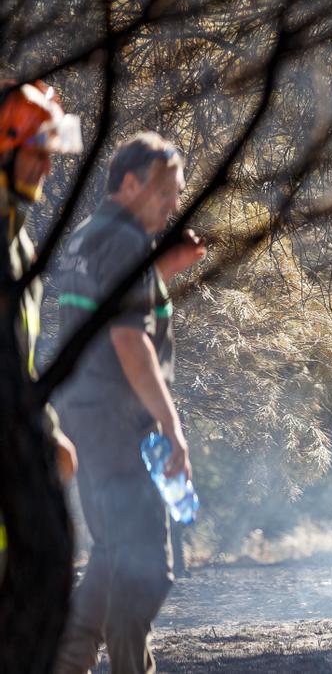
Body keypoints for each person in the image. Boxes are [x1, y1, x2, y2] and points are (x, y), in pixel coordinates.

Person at [54, 132, 206, 674]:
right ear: (131, 182)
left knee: (115, 554)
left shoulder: (86, 237)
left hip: (88, 423)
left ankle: (68, 661)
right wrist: (171, 423)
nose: (172, 205)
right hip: (122, 427)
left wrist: (161, 270)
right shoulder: (123, 242)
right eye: (166, 192)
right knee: (145, 568)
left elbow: (105, 306)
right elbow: (127, 338)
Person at [0, 80, 82, 481]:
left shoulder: (19, 242)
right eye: (37, 154)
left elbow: (16, 358)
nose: (48, 168)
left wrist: (47, 429)